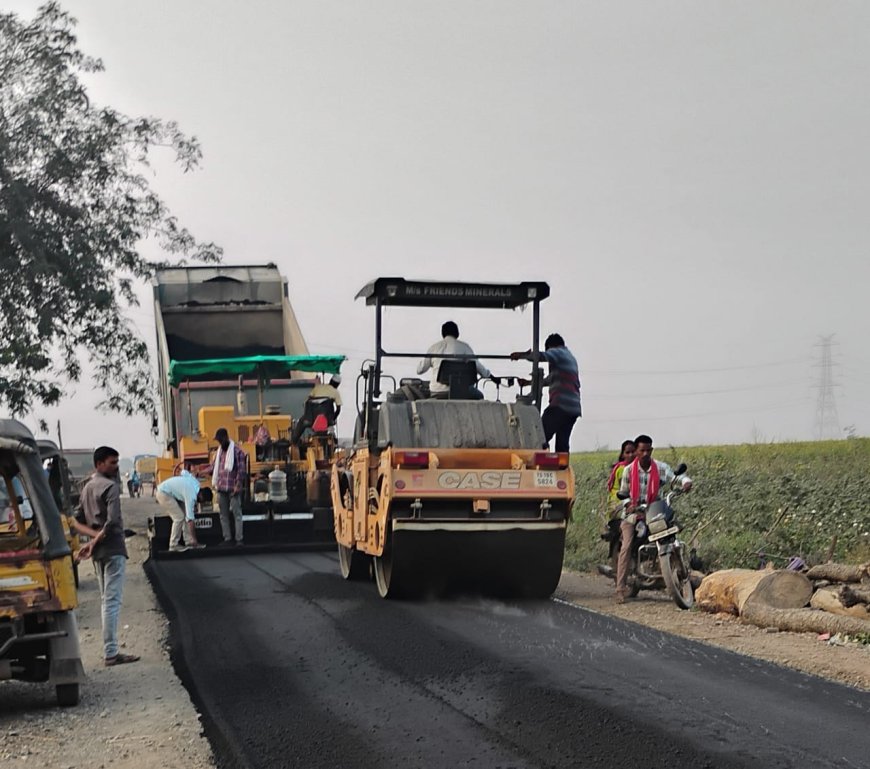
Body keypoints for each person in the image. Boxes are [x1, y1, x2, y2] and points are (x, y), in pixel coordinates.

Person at [72, 446, 140, 666]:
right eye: (112, 462)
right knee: (111, 602)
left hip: (98, 553)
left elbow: (76, 521)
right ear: (99, 463)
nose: (116, 466)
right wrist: (95, 540)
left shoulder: (87, 488)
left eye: (117, 462)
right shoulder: (110, 487)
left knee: (105, 601)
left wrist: (91, 541)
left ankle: (110, 649)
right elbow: (112, 523)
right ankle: (110, 652)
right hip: (112, 549)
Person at [614, 434, 692, 603]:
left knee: (670, 533)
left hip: (654, 511)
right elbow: (623, 493)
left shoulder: (660, 467)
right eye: (642, 450)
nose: (645, 453)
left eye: (648, 450)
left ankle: (676, 572)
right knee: (626, 546)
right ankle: (620, 588)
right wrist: (629, 504)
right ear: (636, 452)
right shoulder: (628, 471)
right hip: (633, 514)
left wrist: (686, 482)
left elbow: (676, 477)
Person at [511, 333, 581, 452]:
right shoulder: (569, 358)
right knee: (562, 444)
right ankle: (561, 466)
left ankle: (540, 460)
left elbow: (541, 356)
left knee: (539, 436)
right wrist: (529, 383)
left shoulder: (559, 352)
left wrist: (523, 355)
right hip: (573, 409)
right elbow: (550, 379)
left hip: (561, 405)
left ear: (551, 346)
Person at [417, 321, 492, 398]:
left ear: (442, 333)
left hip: (437, 392)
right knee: (479, 395)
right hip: (461, 392)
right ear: (457, 333)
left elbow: (419, 370)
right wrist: (488, 375)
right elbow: (479, 368)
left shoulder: (434, 348)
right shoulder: (464, 347)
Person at [201, 428, 247, 547]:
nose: (220, 443)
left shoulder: (237, 452)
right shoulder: (219, 452)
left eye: (221, 440)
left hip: (233, 488)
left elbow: (241, 471)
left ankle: (239, 539)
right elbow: (213, 467)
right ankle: (227, 539)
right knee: (223, 515)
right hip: (221, 488)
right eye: (218, 441)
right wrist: (200, 472)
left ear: (226, 437)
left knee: (237, 513)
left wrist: (238, 485)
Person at [156, 468, 205, 553]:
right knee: (179, 517)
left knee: (185, 514)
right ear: (200, 495)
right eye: (201, 500)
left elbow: (183, 472)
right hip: (163, 494)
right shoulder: (191, 496)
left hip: (168, 491)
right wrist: (195, 539)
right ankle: (173, 545)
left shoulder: (196, 483)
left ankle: (189, 542)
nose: (199, 502)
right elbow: (190, 520)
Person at [291, 374, 342, 444]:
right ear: (337, 385)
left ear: (330, 381)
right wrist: (333, 418)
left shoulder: (318, 388)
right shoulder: (335, 392)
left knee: (301, 422)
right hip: (327, 420)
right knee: (331, 432)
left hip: (310, 419)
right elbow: (338, 409)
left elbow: (306, 401)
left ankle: (293, 442)